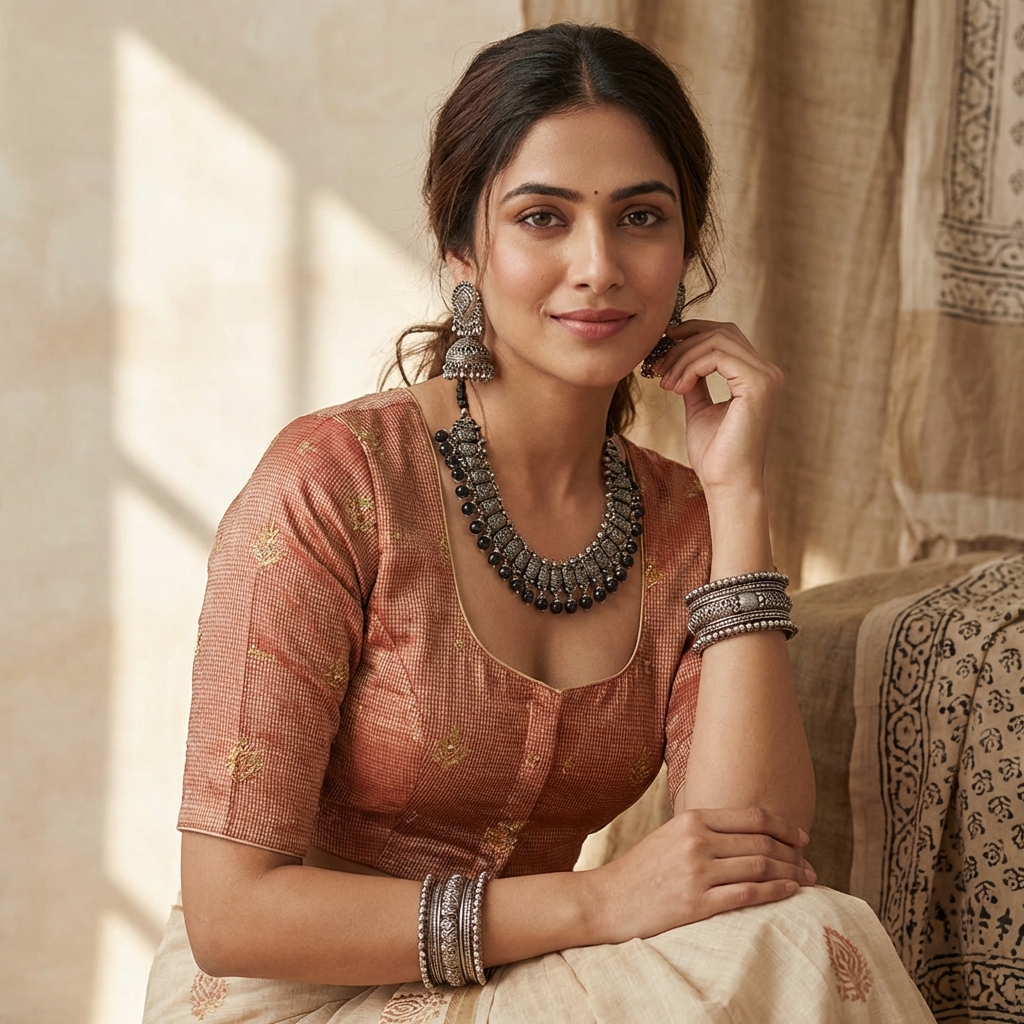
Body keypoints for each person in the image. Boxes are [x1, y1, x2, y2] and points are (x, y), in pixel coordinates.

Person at [142, 22, 934, 1024]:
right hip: (296, 994)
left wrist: (737, 497)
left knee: (806, 929)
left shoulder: (684, 520)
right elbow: (233, 916)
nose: (599, 265)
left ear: (685, 250)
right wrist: (596, 900)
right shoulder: (336, 482)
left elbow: (749, 851)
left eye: (640, 217)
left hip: (532, 985)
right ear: (462, 250)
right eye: (543, 218)